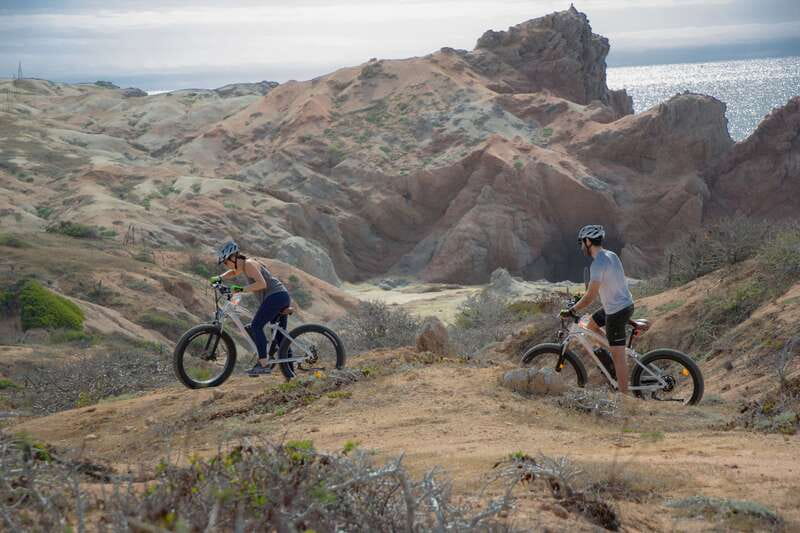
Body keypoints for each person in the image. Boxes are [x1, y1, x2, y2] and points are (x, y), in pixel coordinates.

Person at [561, 225, 635, 394]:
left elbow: (591, 296)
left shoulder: (598, 264)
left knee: (619, 357)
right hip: (619, 305)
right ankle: (613, 352)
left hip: (617, 311)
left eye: (582, 243)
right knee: (591, 326)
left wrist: (573, 310)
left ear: (588, 242)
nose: (581, 247)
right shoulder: (611, 255)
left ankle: (625, 399)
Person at [210, 240, 292, 377]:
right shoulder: (244, 265)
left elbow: (262, 284)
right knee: (280, 340)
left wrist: (241, 289)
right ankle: (291, 375)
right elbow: (233, 273)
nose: (225, 265)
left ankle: (263, 364)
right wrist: (219, 277)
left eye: (225, 262)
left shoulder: (249, 264)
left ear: (233, 257)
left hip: (276, 297)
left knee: (256, 326)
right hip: (279, 297)